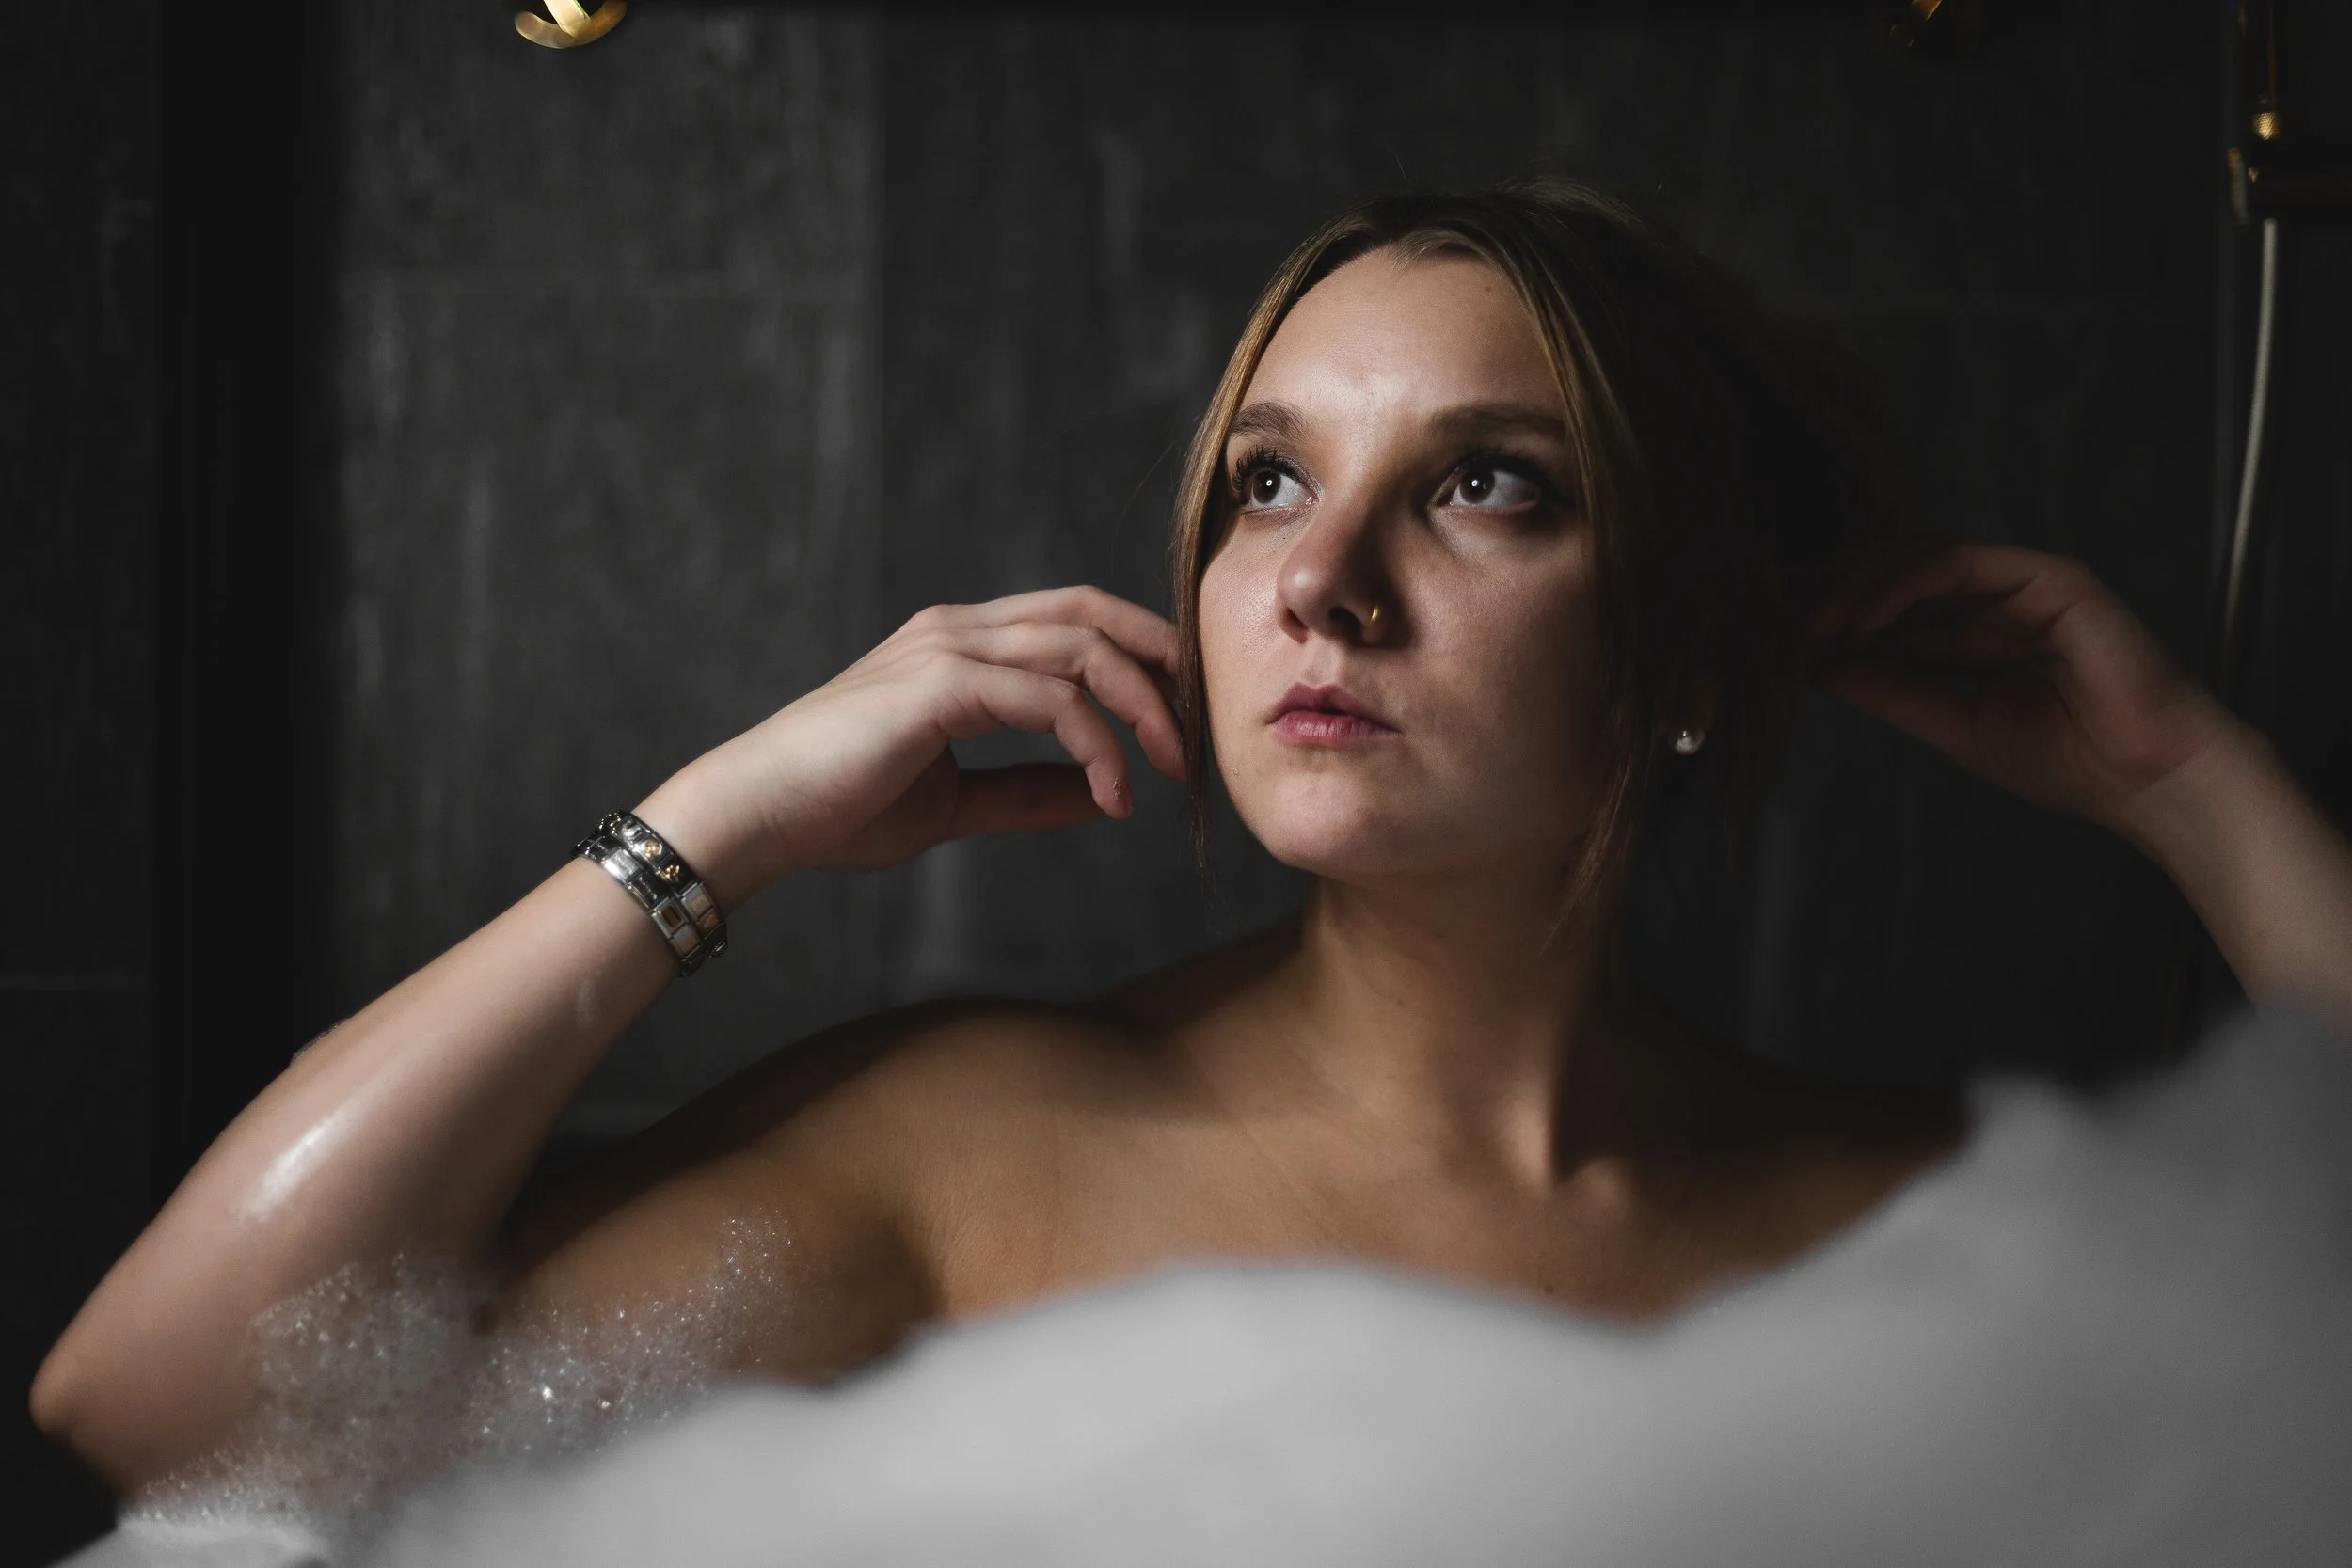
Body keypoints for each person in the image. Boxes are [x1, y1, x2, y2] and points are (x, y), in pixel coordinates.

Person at [35, 182, 2352, 1499]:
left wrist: (2202, 806)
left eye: (1481, 483)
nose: (1320, 578)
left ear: (1684, 644)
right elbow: (171, 1421)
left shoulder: (1932, 1226)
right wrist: (715, 821)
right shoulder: (972, 1153)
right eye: (1265, 479)